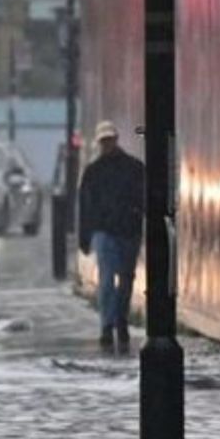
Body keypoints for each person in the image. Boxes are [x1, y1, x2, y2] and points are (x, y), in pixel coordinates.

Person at [78, 120, 145, 352]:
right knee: (111, 279)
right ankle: (112, 325)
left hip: (119, 230)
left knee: (122, 280)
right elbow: (85, 206)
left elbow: (85, 206)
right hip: (115, 231)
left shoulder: (96, 172)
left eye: (109, 140)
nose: (107, 144)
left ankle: (116, 322)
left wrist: (85, 237)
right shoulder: (132, 168)